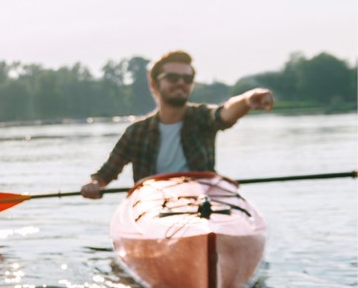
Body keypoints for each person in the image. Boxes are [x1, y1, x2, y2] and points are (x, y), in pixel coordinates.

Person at [80, 50, 275, 198]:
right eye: (172, 78)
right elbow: (105, 174)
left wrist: (247, 99)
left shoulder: (202, 117)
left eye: (187, 78)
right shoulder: (136, 132)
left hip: (202, 200)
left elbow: (225, 113)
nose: (181, 82)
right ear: (154, 85)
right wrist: (94, 184)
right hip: (153, 204)